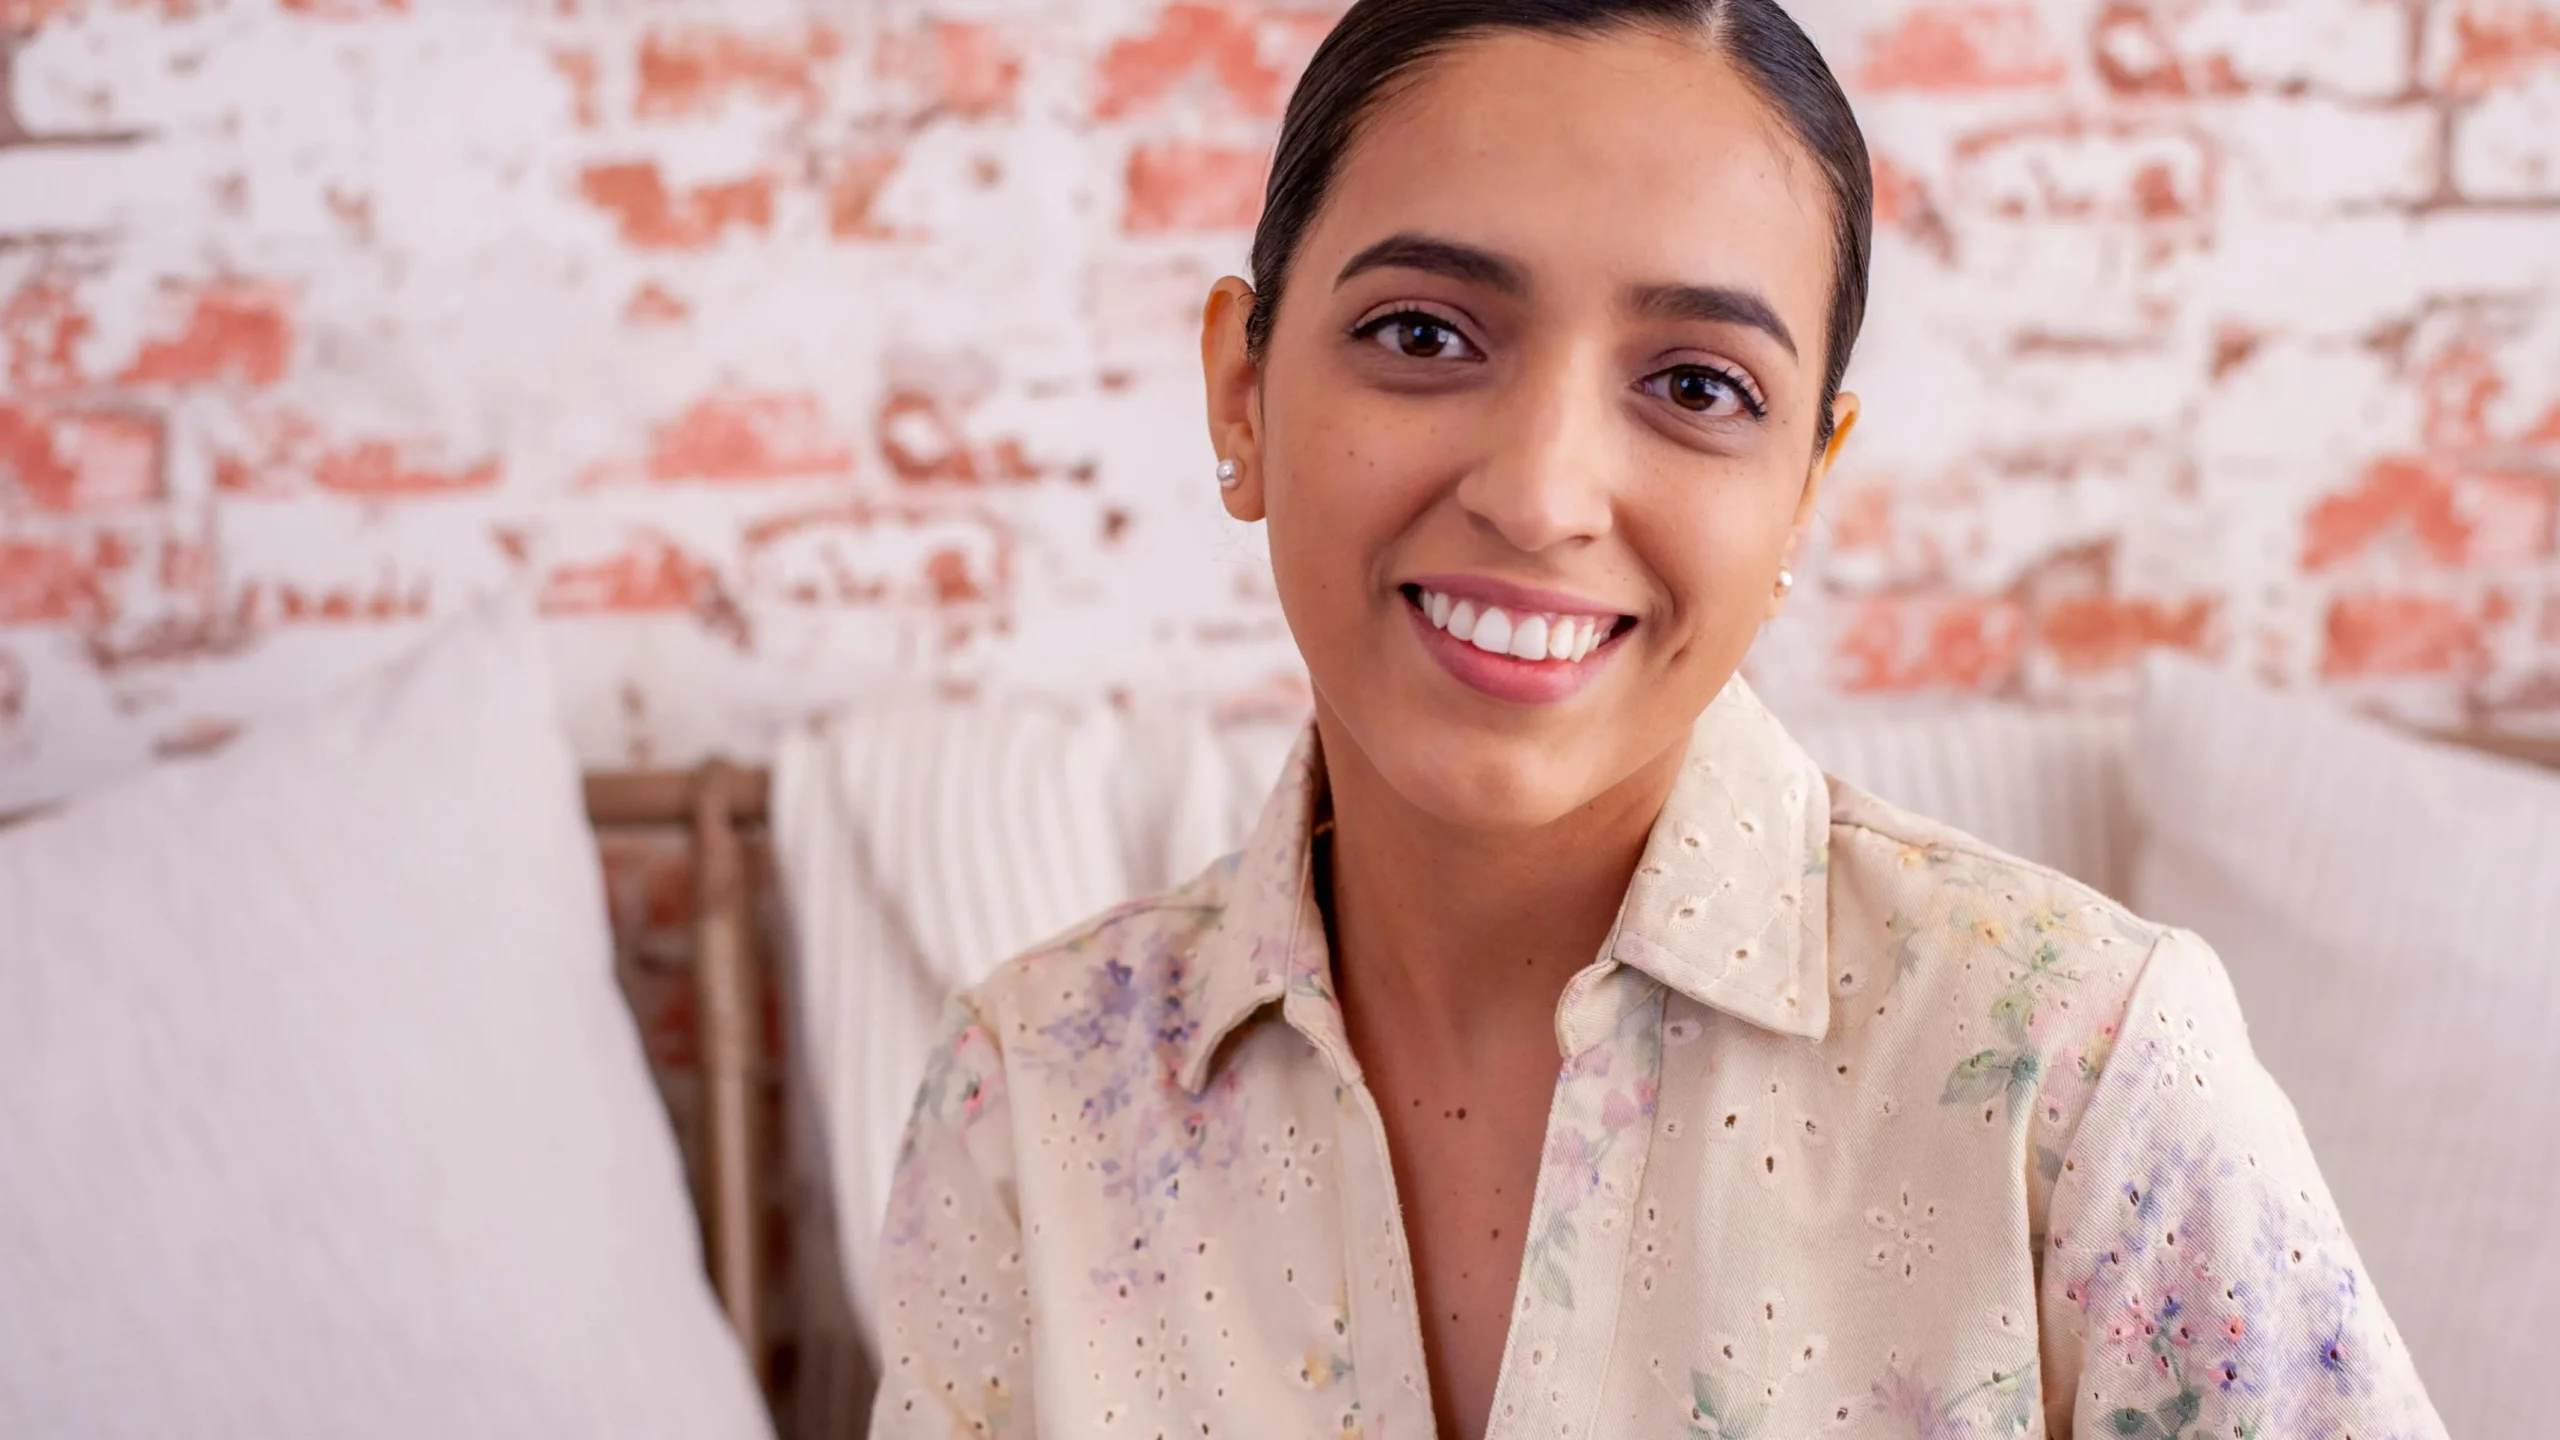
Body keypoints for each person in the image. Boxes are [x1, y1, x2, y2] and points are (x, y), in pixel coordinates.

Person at [866, 1, 2444, 1435]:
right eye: (1424, 335)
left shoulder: (2084, 1076)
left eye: (1696, 387)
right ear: (1243, 391)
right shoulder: (1037, 1094)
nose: (1543, 495)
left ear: (1805, 488)